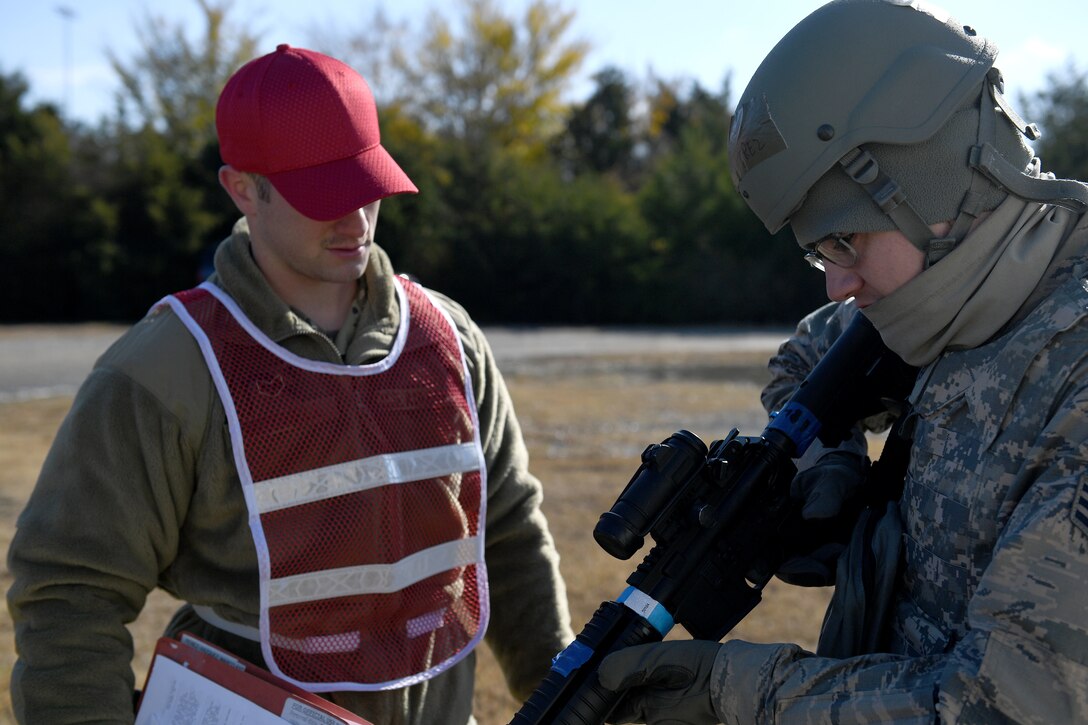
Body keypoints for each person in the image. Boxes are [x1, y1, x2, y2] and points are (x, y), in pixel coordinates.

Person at [7, 44, 572, 724]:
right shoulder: (164, 369)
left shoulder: (450, 340)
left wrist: (563, 692)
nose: (356, 217)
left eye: (368, 184)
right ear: (242, 188)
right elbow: (72, 590)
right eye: (323, 194)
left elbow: (506, 531)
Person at [595, 0, 1088, 722]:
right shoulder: (942, 302)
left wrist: (739, 694)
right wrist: (831, 457)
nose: (839, 283)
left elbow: (1009, 706)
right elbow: (806, 357)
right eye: (819, 254)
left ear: (937, 190)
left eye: (846, 241)